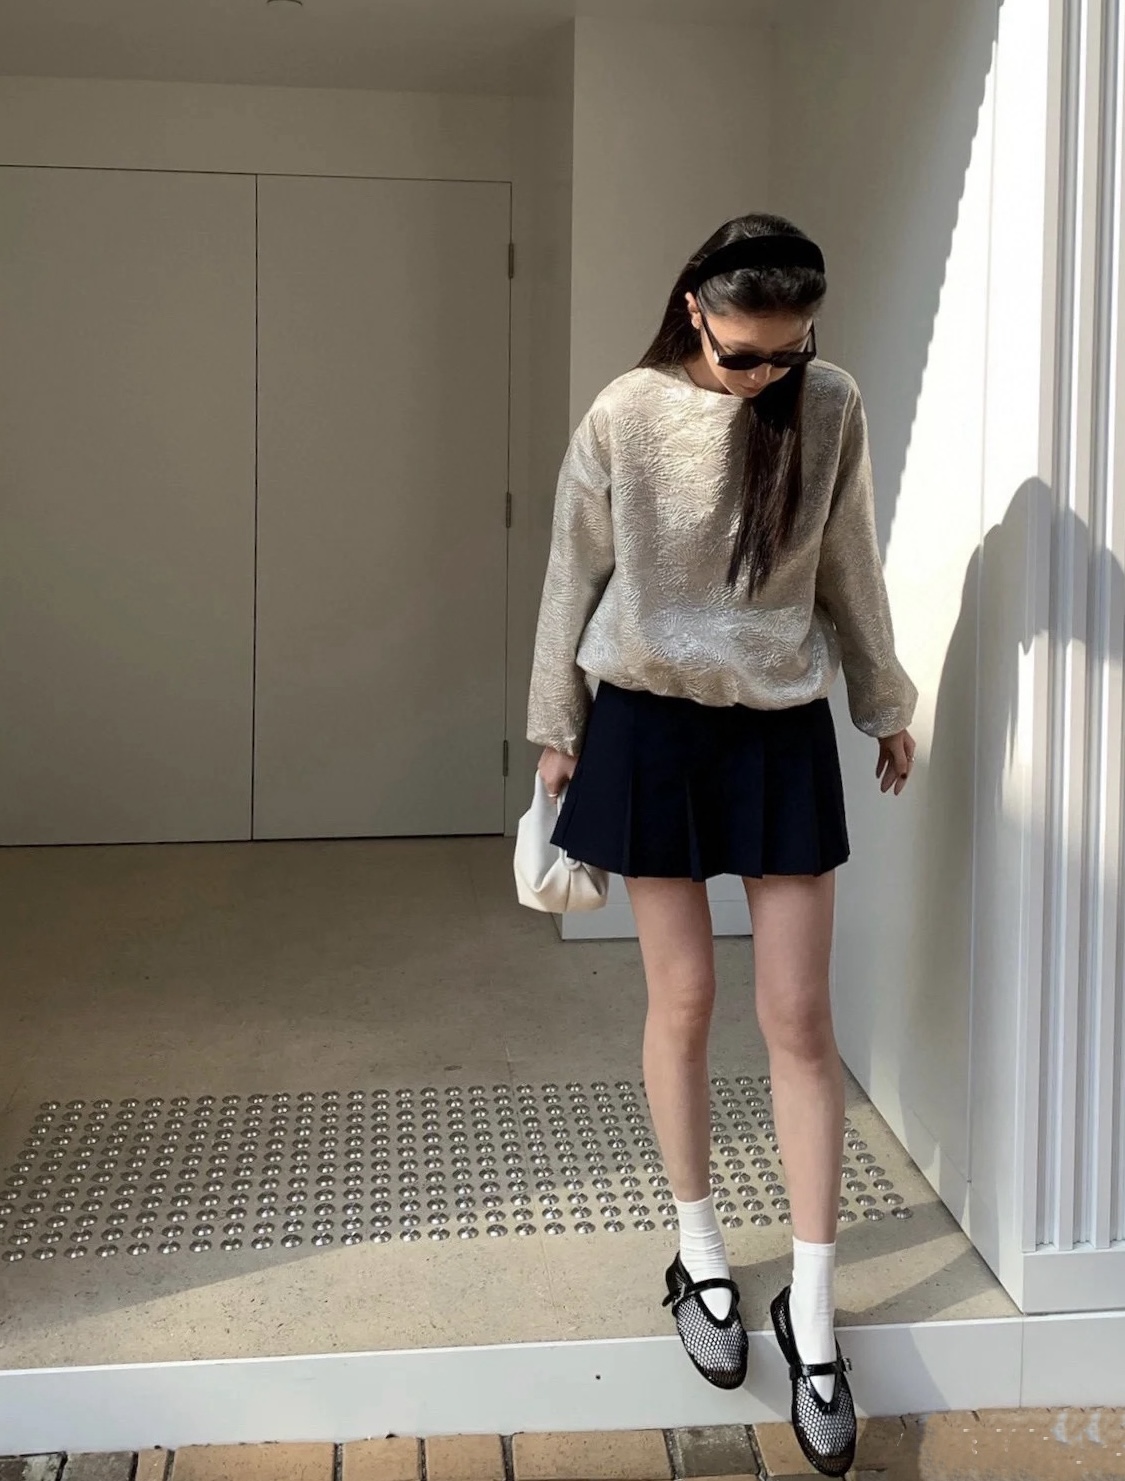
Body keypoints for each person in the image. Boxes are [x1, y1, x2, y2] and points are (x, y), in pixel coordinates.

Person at [526, 214, 917, 1478]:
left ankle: (814, 1307)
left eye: (788, 352)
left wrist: (884, 699)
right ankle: (699, 1254)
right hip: (649, 722)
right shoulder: (627, 413)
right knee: (683, 997)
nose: (766, 376)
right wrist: (556, 725)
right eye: (744, 353)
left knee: (799, 1013)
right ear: (694, 306)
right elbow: (573, 568)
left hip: (779, 725)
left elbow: (849, 555)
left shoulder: (829, 401)